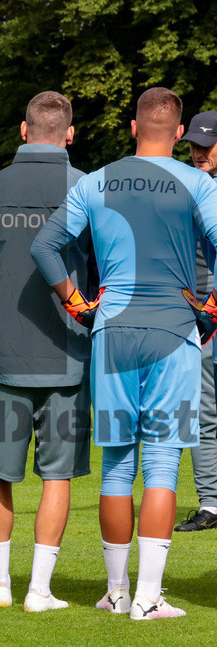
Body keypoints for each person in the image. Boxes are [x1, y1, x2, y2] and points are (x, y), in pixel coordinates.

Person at [32, 87, 217, 620]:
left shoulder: (94, 182)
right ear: (180, 134)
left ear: (133, 128)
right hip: (173, 332)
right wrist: (211, 306)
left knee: (117, 467)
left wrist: (74, 302)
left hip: (111, 332)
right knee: (162, 464)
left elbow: (45, 246)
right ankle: (147, 598)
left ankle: (115, 592)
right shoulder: (198, 182)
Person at [0, 92, 93, 611]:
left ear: (23, 130)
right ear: (69, 133)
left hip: (2, 357)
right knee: (56, 474)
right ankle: (39, 590)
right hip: (68, 354)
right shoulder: (88, 187)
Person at [174, 110, 217, 533]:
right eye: (194, 145)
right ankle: (211, 504)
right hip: (202, 321)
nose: (199, 152)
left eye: (208, 144)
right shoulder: (187, 188)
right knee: (202, 413)